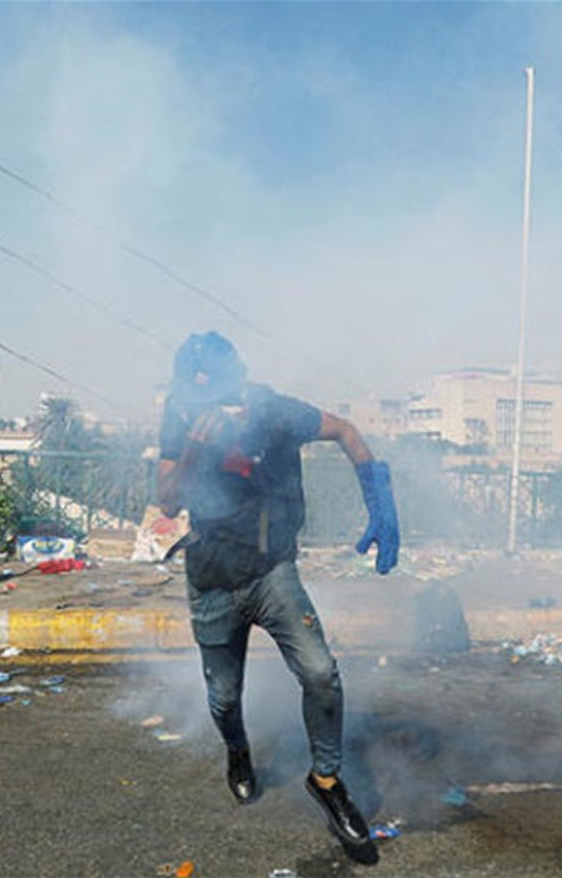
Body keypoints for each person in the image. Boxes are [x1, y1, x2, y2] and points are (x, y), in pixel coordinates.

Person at [156, 331, 399, 858]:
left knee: (320, 673)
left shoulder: (276, 413)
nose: (216, 408)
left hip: (272, 573)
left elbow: (348, 432)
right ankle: (238, 751)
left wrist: (381, 506)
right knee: (223, 697)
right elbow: (168, 501)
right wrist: (196, 450)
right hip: (212, 575)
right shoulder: (180, 417)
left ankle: (328, 782)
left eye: (223, 396)